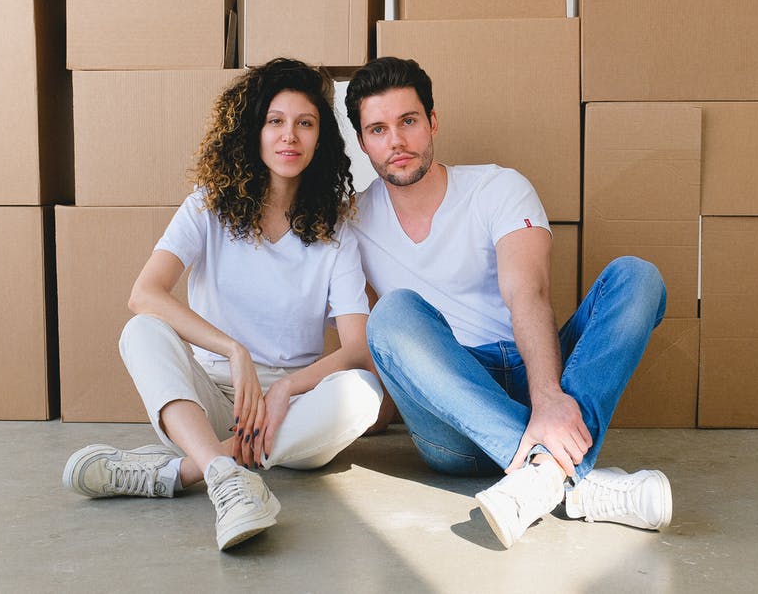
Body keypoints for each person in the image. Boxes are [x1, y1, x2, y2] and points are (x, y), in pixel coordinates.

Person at [343, 57, 672, 549]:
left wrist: (546, 396)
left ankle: (543, 476)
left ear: (432, 122)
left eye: (408, 121)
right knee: (391, 314)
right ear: (363, 142)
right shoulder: (352, 221)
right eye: (378, 129)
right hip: (449, 413)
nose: (396, 141)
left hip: (533, 373)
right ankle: (572, 478)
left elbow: (528, 293)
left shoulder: (497, 188)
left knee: (637, 277)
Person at [62, 58, 383, 551]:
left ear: (321, 139)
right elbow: (144, 293)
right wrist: (235, 353)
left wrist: (283, 390)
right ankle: (224, 475)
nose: (289, 136)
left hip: (289, 413)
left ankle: (184, 471)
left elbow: (358, 348)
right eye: (275, 121)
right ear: (252, 131)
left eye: (305, 123)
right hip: (207, 399)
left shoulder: (334, 230)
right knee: (141, 330)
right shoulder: (207, 206)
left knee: (363, 391)